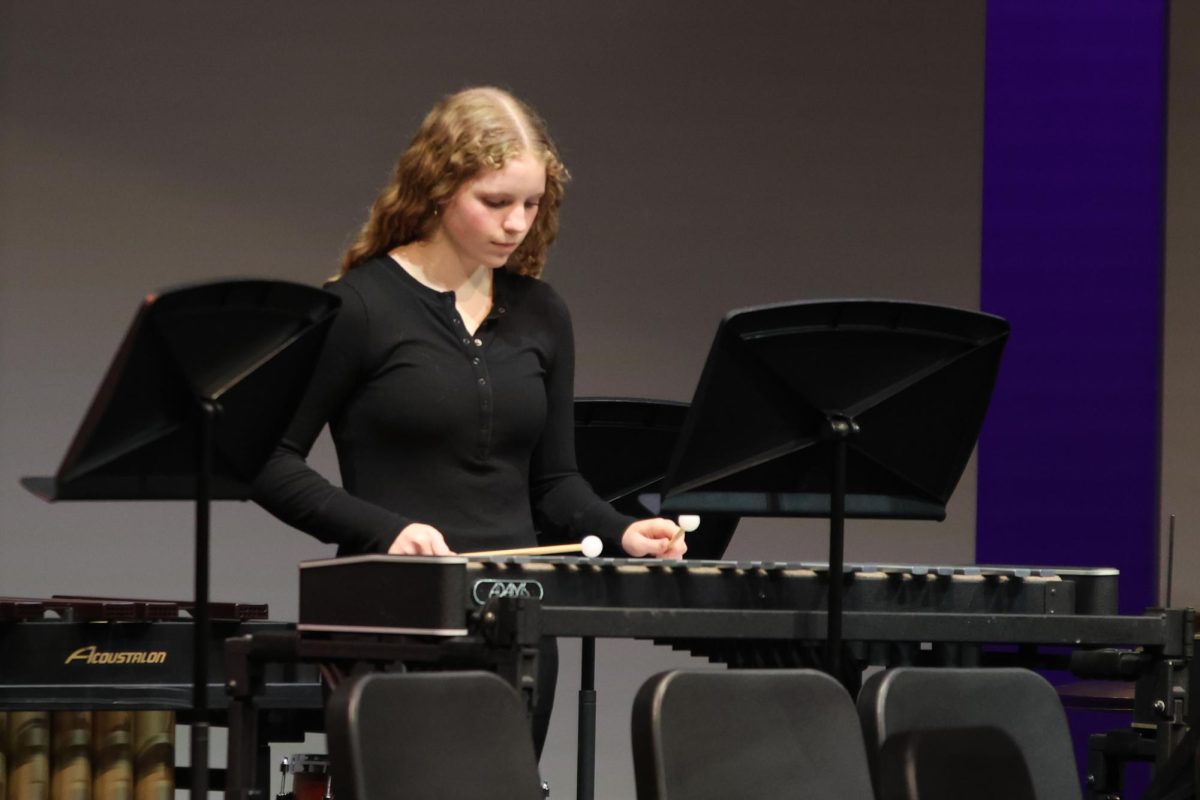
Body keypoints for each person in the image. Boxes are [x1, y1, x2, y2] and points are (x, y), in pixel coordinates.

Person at [251, 86, 687, 756]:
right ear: (437, 189)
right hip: (392, 618)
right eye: (496, 202)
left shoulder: (542, 312)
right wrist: (385, 531)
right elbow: (269, 461)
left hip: (517, 621)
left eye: (532, 204)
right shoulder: (359, 308)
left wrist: (623, 531)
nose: (517, 223)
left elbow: (557, 483)